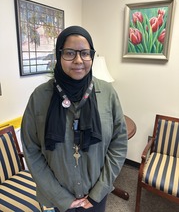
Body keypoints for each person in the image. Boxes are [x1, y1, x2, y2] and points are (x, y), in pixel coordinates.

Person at [21, 26, 128, 212]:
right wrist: (60, 197)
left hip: (96, 196)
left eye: (85, 53)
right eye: (70, 53)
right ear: (59, 55)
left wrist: (99, 190)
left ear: (91, 56)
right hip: (56, 198)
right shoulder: (39, 97)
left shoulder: (108, 94)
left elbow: (118, 144)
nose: (79, 60)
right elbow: (31, 150)